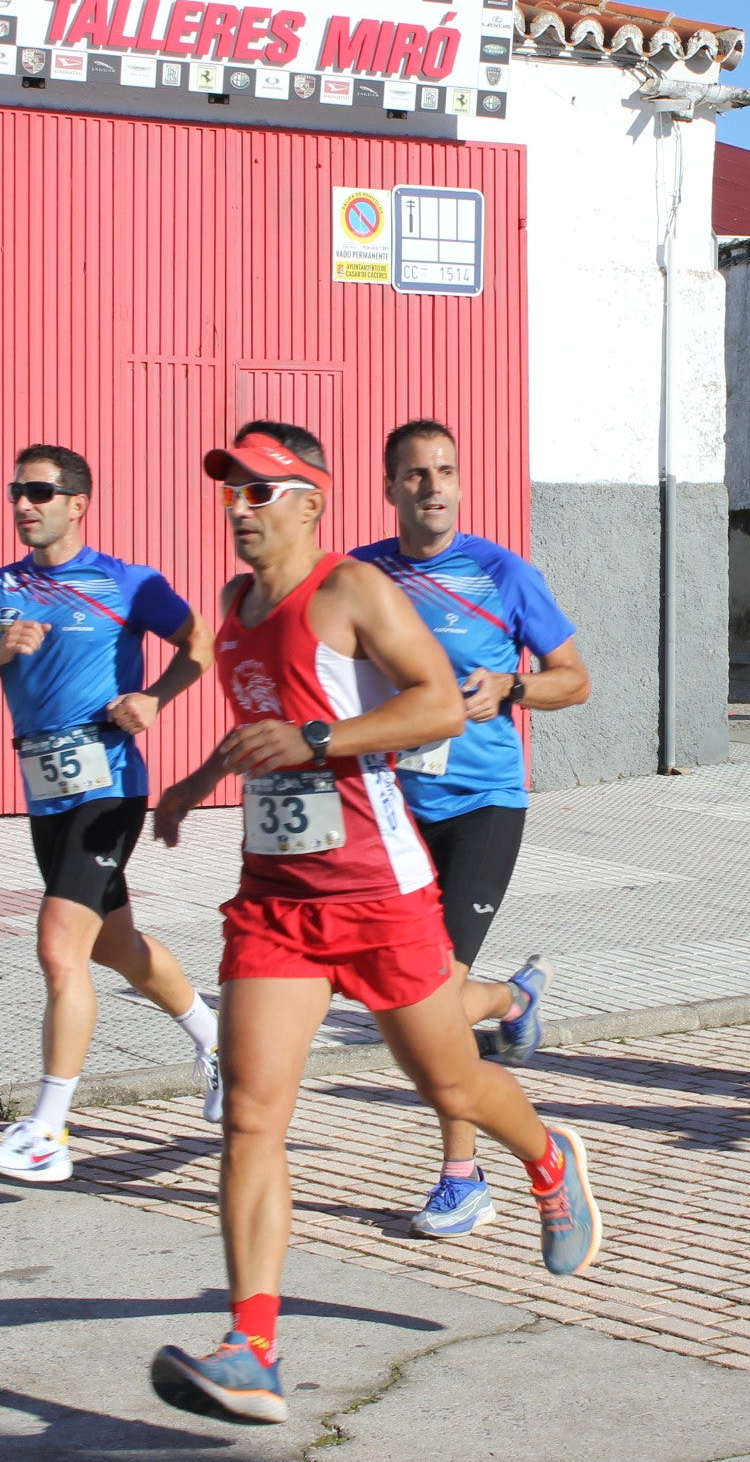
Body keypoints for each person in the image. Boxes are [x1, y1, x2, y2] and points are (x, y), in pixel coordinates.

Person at [146, 421, 602, 1425]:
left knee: (449, 1081)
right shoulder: (233, 605)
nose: (238, 508)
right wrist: (192, 781)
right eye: (230, 489)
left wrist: (319, 737)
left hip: (380, 894)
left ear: (313, 499)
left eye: (261, 491)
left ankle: (545, 1160)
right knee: (252, 1116)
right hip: (275, 902)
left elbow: (438, 704)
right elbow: (258, 718)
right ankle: (252, 1347)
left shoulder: (353, 591)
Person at [0, 444, 222, 1181]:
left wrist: (155, 697)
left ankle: (49, 1132)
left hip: (110, 787)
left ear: (77, 504)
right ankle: (215, 1039)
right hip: (46, 793)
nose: (24, 504)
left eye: (40, 491)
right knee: (112, 946)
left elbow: (200, 643)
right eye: (16, 491)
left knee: (59, 948)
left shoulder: (127, 583)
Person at [351, 419, 592, 1239]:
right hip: (394, 808)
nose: (432, 487)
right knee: (416, 992)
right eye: (414, 475)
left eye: (445, 471)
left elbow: (575, 681)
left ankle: (463, 1176)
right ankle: (515, 997)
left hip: (483, 805)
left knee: (434, 998)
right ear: (389, 489)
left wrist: (513, 689)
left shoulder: (499, 573)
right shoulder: (361, 578)